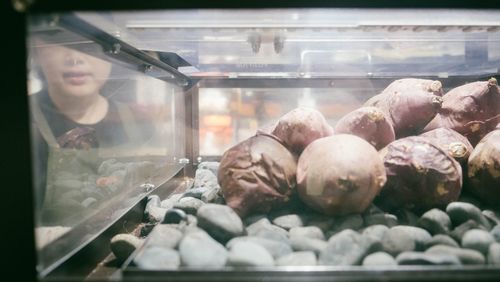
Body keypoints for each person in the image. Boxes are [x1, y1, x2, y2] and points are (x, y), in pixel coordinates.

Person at [30, 32, 154, 226]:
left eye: (90, 46)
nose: (75, 59)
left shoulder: (141, 122)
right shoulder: (16, 119)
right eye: (61, 41)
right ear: (37, 50)